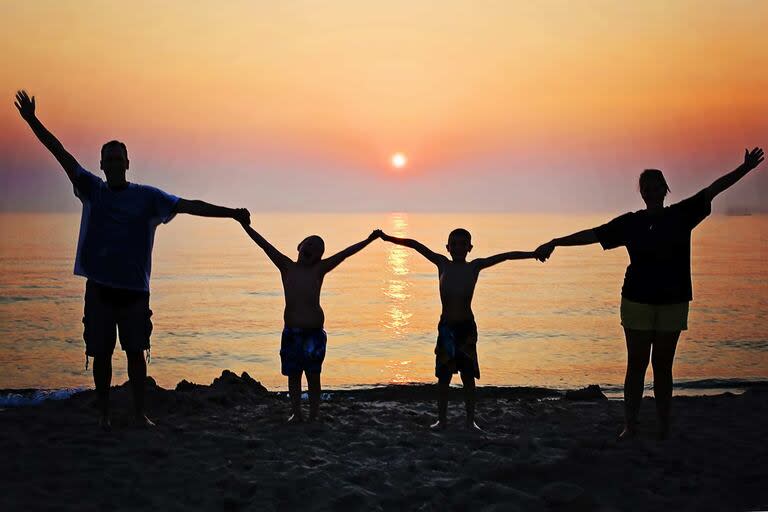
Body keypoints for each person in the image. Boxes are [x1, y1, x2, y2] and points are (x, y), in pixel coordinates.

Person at [14, 90, 251, 430]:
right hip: (99, 288)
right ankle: (104, 416)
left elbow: (188, 205)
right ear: (101, 165)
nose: (112, 164)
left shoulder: (148, 198)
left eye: (118, 159)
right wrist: (32, 120)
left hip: (134, 292)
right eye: (107, 159)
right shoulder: (91, 189)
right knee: (101, 354)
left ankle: (139, 414)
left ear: (127, 163)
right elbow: (59, 153)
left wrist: (231, 214)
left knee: (136, 353)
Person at [536, 148, 765, 439]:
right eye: (648, 188)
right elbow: (593, 235)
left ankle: (664, 426)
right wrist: (555, 241)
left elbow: (713, 190)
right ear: (642, 193)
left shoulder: (682, 214)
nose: (653, 191)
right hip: (637, 300)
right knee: (637, 365)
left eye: (658, 186)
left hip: (673, 300)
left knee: (663, 367)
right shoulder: (631, 222)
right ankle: (630, 425)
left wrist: (744, 168)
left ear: (665, 190)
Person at [380, 228, 547, 431]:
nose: (459, 247)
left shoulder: (475, 266)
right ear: (448, 248)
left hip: (466, 328)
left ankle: (470, 421)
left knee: (468, 377)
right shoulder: (442, 263)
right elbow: (415, 245)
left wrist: (533, 254)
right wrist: (388, 238)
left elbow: (506, 256)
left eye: (463, 244)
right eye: (455, 244)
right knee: (444, 378)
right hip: (447, 329)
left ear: (470, 248)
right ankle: (442, 420)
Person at [239, 222, 380, 422]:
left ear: (319, 258)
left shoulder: (319, 270)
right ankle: (296, 412)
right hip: (292, 333)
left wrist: (368, 240)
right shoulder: (286, 266)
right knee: (294, 375)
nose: (313, 249)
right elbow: (264, 245)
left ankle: (314, 414)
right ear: (300, 246)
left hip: (314, 334)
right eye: (310, 244)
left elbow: (346, 253)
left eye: (318, 249)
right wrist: (244, 224)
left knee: (314, 376)